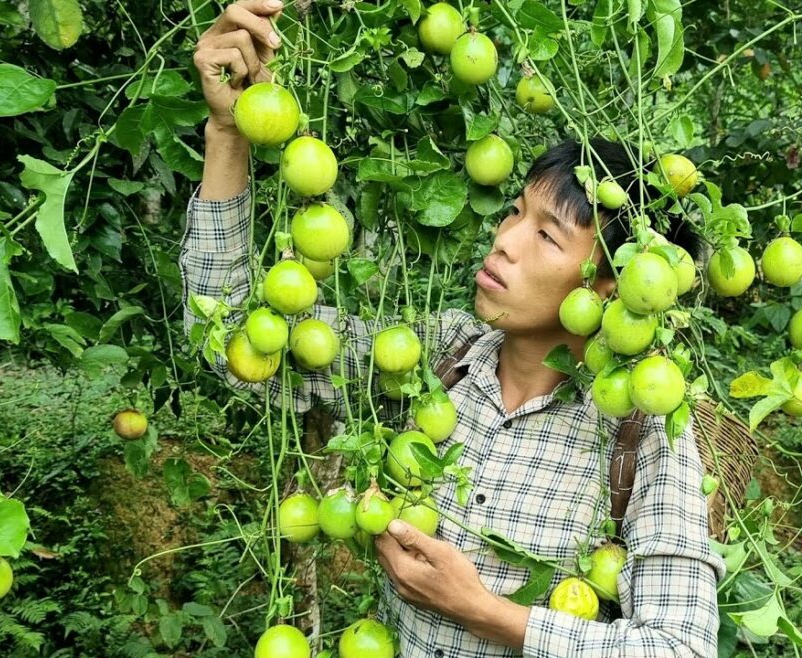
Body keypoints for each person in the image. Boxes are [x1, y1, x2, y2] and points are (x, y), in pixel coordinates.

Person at [181, 2, 724, 656]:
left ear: (614, 287)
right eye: (514, 213)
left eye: (546, 236)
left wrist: (485, 612)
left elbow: (680, 646)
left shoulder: (643, 433)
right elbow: (232, 340)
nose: (505, 241)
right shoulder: (435, 360)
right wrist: (228, 132)